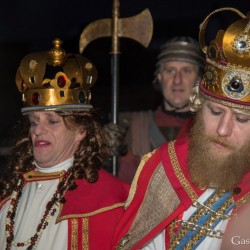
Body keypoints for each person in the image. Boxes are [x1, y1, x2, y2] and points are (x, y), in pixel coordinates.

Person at [112, 7, 250, 249]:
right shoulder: (162, 164)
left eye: (241, 119)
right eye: (215, 112)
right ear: (198, 104)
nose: (223, 129)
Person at [0, 38, 129, 250]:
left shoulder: (109, 200)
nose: (38, 130)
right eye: (34, 122)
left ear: (80, 131)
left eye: (52, 121)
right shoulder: (10, 195)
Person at [118, 36, 205, 184]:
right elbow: (122, 188)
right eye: (170, 71)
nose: (177, 80)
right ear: (159, 76)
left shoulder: (214, 128)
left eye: (186, 71)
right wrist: (107, 155)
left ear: (199, 79)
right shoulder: (136, 126)